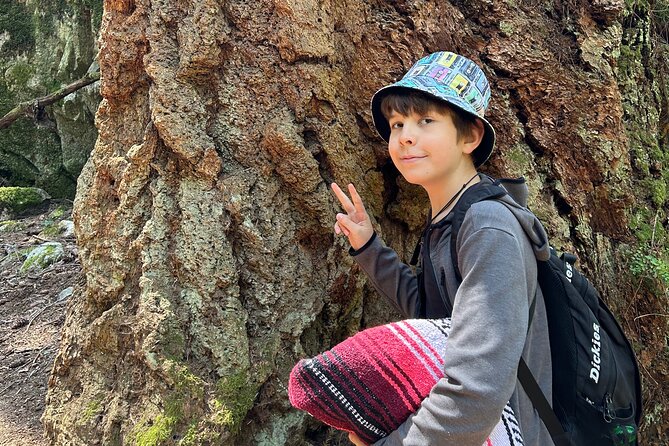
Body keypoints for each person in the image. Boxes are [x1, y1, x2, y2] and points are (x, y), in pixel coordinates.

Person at [331, 51, 554, 445]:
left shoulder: (488, 228)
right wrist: (368, 247)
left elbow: (475, 390)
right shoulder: (450, 220)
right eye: (397, 123)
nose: (404, 136)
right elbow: (430, 311)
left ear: (470, 136)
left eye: (425, 120)